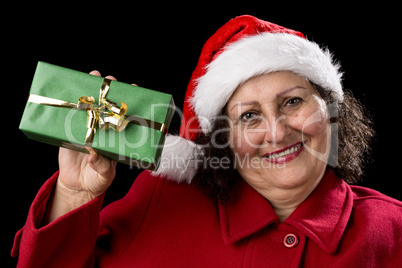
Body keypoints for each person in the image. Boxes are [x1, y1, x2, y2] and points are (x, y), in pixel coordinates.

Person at [12, 15, 401, 267]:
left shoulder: (392, 228)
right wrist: (75, 195)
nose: (277, 132)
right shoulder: (160, 199)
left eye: (293, 102)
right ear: (222, 141)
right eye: (249, 116)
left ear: (332, 109)